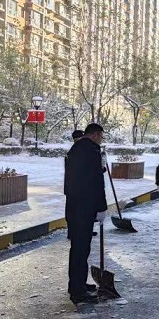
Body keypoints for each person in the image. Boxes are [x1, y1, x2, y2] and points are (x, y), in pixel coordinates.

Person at [64, 123, 109, 305]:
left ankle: (77, 284)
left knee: (79, 248)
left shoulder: (76, 148)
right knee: (81, 249)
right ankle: (78, 291)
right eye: (101, 136)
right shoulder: (90, 151)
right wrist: (101, 207)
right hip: (84, 207)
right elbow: (96, 182)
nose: (101, 140)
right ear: (96, 135)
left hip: (75, 206)